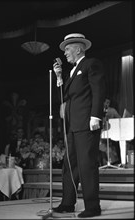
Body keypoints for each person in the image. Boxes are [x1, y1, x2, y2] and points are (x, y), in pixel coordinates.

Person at [53, 33, 106, 218]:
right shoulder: (72, 71)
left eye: (67, 49)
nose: (65, 53)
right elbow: (68, 95)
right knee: (70, 165)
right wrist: (60, 77)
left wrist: (95, 116)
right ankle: (68, 203)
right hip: (73, 125)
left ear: (78, 49)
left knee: (86, 165)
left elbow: (98, 90)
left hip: (86, 123)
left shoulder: (91, 64)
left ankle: (93, 207)